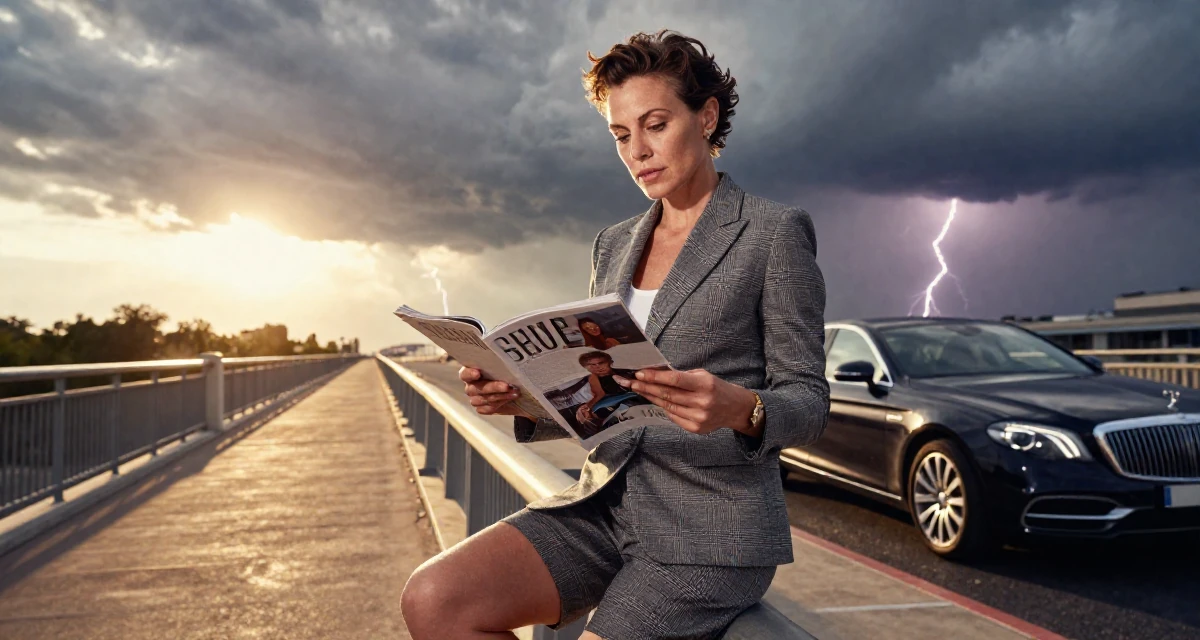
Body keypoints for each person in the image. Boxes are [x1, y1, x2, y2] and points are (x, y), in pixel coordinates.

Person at [401, 29, 829, 640]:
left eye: (654, 125)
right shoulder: (614, 243)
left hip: (709, 531)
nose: (638, 152)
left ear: (706, 117)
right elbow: (607, 398)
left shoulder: (772, 233)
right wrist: (520, 399)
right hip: (603, 505)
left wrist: (742, 408)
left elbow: (810, 404)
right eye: (621, 135)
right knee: (435, 598)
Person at [572, 351, 642, 435]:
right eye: (592, 365)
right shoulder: (593, 377)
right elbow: (599, 394)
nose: (598, 367)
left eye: (601, 363)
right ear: (587, 368)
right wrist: (587, 407)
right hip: (624, 403)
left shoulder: (626, 370)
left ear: (609, 362)